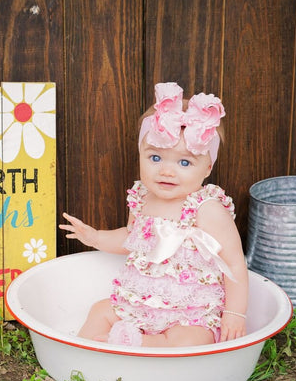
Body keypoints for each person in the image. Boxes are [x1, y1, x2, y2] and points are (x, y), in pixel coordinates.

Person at [59, 82, 249, 347]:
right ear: (140, 155)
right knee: (100, 309)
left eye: (184, 162)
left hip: (189, 313)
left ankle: (141, 346)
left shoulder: (207, 208)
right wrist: (96, 237)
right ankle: (87, 351)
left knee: (190, 340)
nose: (167, 171)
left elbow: (235, 264)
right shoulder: (141, 198)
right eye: (155, 158)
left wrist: (234, 313)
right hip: (141, 302)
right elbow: (130, 237)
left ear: (207, 167)